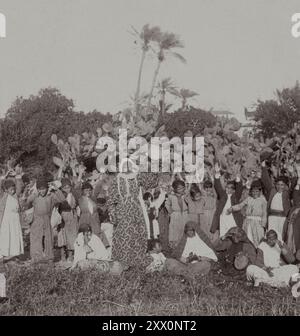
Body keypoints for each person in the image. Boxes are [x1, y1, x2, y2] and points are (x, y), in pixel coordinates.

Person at [107, 158, 155, 268]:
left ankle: (137, 259)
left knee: (137, 233)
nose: (127, 168)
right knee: (123, 233)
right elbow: (111, 199)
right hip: (122, 210)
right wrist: (112, 213)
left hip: (136, 209)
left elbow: (151, 182)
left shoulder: (137, 176)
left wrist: (149, 167)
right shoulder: (117, 180)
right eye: (124, 165)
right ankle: (123, 260)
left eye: (129, 165)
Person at [26, 178, 65, 263]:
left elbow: (62, 200)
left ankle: (49, 257)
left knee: (48, 238)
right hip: (36, 219)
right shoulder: (35, 196)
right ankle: (36, 257)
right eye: (40, 189)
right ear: (37, 189)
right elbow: (27, 202)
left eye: (43, 189)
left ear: (47, 188)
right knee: (36, 238)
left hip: (47, 218)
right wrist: (34, 194)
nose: (42, 191)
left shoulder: (51, 195)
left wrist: (56, 189)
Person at [227, 181, 267, 247]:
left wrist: (263, 224)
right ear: (251, 191)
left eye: (257, 191)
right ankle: (247, 251)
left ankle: (257, 251)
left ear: (260, 191)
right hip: (248, 222)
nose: (255, 193)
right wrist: (232, 208)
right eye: (253, 191)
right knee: (248, 236)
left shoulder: (262, 200)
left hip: (257, 223)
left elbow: (264, 213)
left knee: (257, 237)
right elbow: (240, 205)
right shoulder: (249, 199)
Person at [261, 161, 291, 240]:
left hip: (282, 219)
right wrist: (263, 167)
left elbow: (294, 185)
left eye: (282, 185)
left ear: (285, 186)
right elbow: (266, 180)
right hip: (272, 218)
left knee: (281, 237)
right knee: (271, 236)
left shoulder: (287, 193)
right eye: (278, 184)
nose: (279, 187)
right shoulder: (272, 191)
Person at [211, 162, 243, 237]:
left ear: (234, 190)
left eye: (230, 188)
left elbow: (239, 188)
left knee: (234, 235)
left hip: (232, 218)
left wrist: (238, 178)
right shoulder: (223, 195)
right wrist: (217, 172)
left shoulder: (236, 196)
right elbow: (218, 186)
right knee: (224, 236)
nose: (228, 189)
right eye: (227, 187)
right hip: (223, 218)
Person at [0, 179, 24, 262]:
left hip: (15, 221)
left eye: (13, 189)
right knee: (6, 237)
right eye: (10, 189)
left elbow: (20, 187)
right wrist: (3, 177)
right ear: (6, 190)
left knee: (15, 236)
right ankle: (4, 254)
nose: (13, 191)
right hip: (6, 220)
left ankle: (15, 254)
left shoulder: (15, 196)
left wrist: (17, 177)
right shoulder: (4, 196)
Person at [56, 178, 79, 262]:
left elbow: (74, 205)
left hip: (72, 217)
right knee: (62, 236)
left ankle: (70, 255)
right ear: (61, 188)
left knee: (72, 236)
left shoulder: (73, 195)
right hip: (62, 217)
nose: (67, 189)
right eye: (64, 187)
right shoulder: (60, 196)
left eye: (68, 187)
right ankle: (62, 254)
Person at [165, 180, 189, 247]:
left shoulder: (185, 195)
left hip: (185, 214)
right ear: (175, 189)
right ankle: (174, 245)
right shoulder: (171, 196)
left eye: (183, 188)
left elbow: (190, 203)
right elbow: (167, 204)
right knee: (175, 229)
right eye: (179, 188)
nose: (181, 190)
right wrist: (171, 212)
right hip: (175, 215)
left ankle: (185, 245)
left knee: (184, 228)